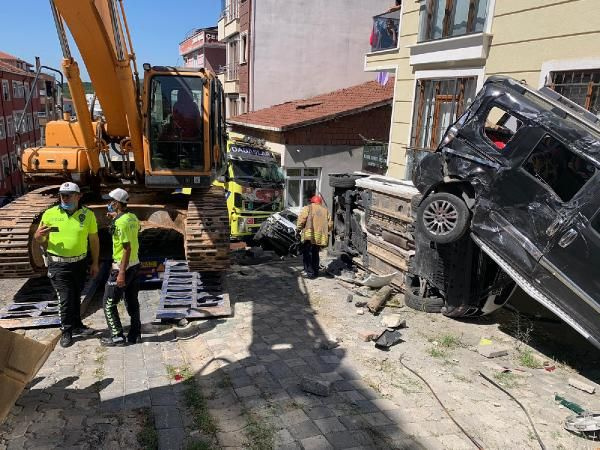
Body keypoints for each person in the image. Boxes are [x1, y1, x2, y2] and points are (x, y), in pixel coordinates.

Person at [34, 182, 99, 348]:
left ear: (79, 196)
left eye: (69, 195)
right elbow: (41, 239)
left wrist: (95, 263)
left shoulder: (88, 215)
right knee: (65, 298)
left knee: (76, 295)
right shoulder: (50, 214)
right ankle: (66, 331)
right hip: (59, 265)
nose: (65, 198)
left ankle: (77, 325)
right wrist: (38, 236)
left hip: (79, 263)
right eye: (62, 195)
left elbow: (93, 240)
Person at [100, 188, 142, 347]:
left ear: (117, 203)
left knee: (108, 304)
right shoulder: (132, 217)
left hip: (122, 267)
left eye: (111, 201)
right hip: (135, 264)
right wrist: (115, 218)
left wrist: (121, 273)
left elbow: (126, 247)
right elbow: (135, 230)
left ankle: (117, 336)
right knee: (132, 301)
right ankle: (135, 334)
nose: (108, 204)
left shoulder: (120, 223)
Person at [296, 195, 332, 279]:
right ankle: (315, 272)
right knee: (315, 254)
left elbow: (302, 219)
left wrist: (298, 229)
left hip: (309, 236)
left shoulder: (307, 208)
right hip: (320, 237)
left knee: (307, 253)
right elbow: (330, 225)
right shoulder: (325, 211)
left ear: (312, 201)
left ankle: (309, 272)